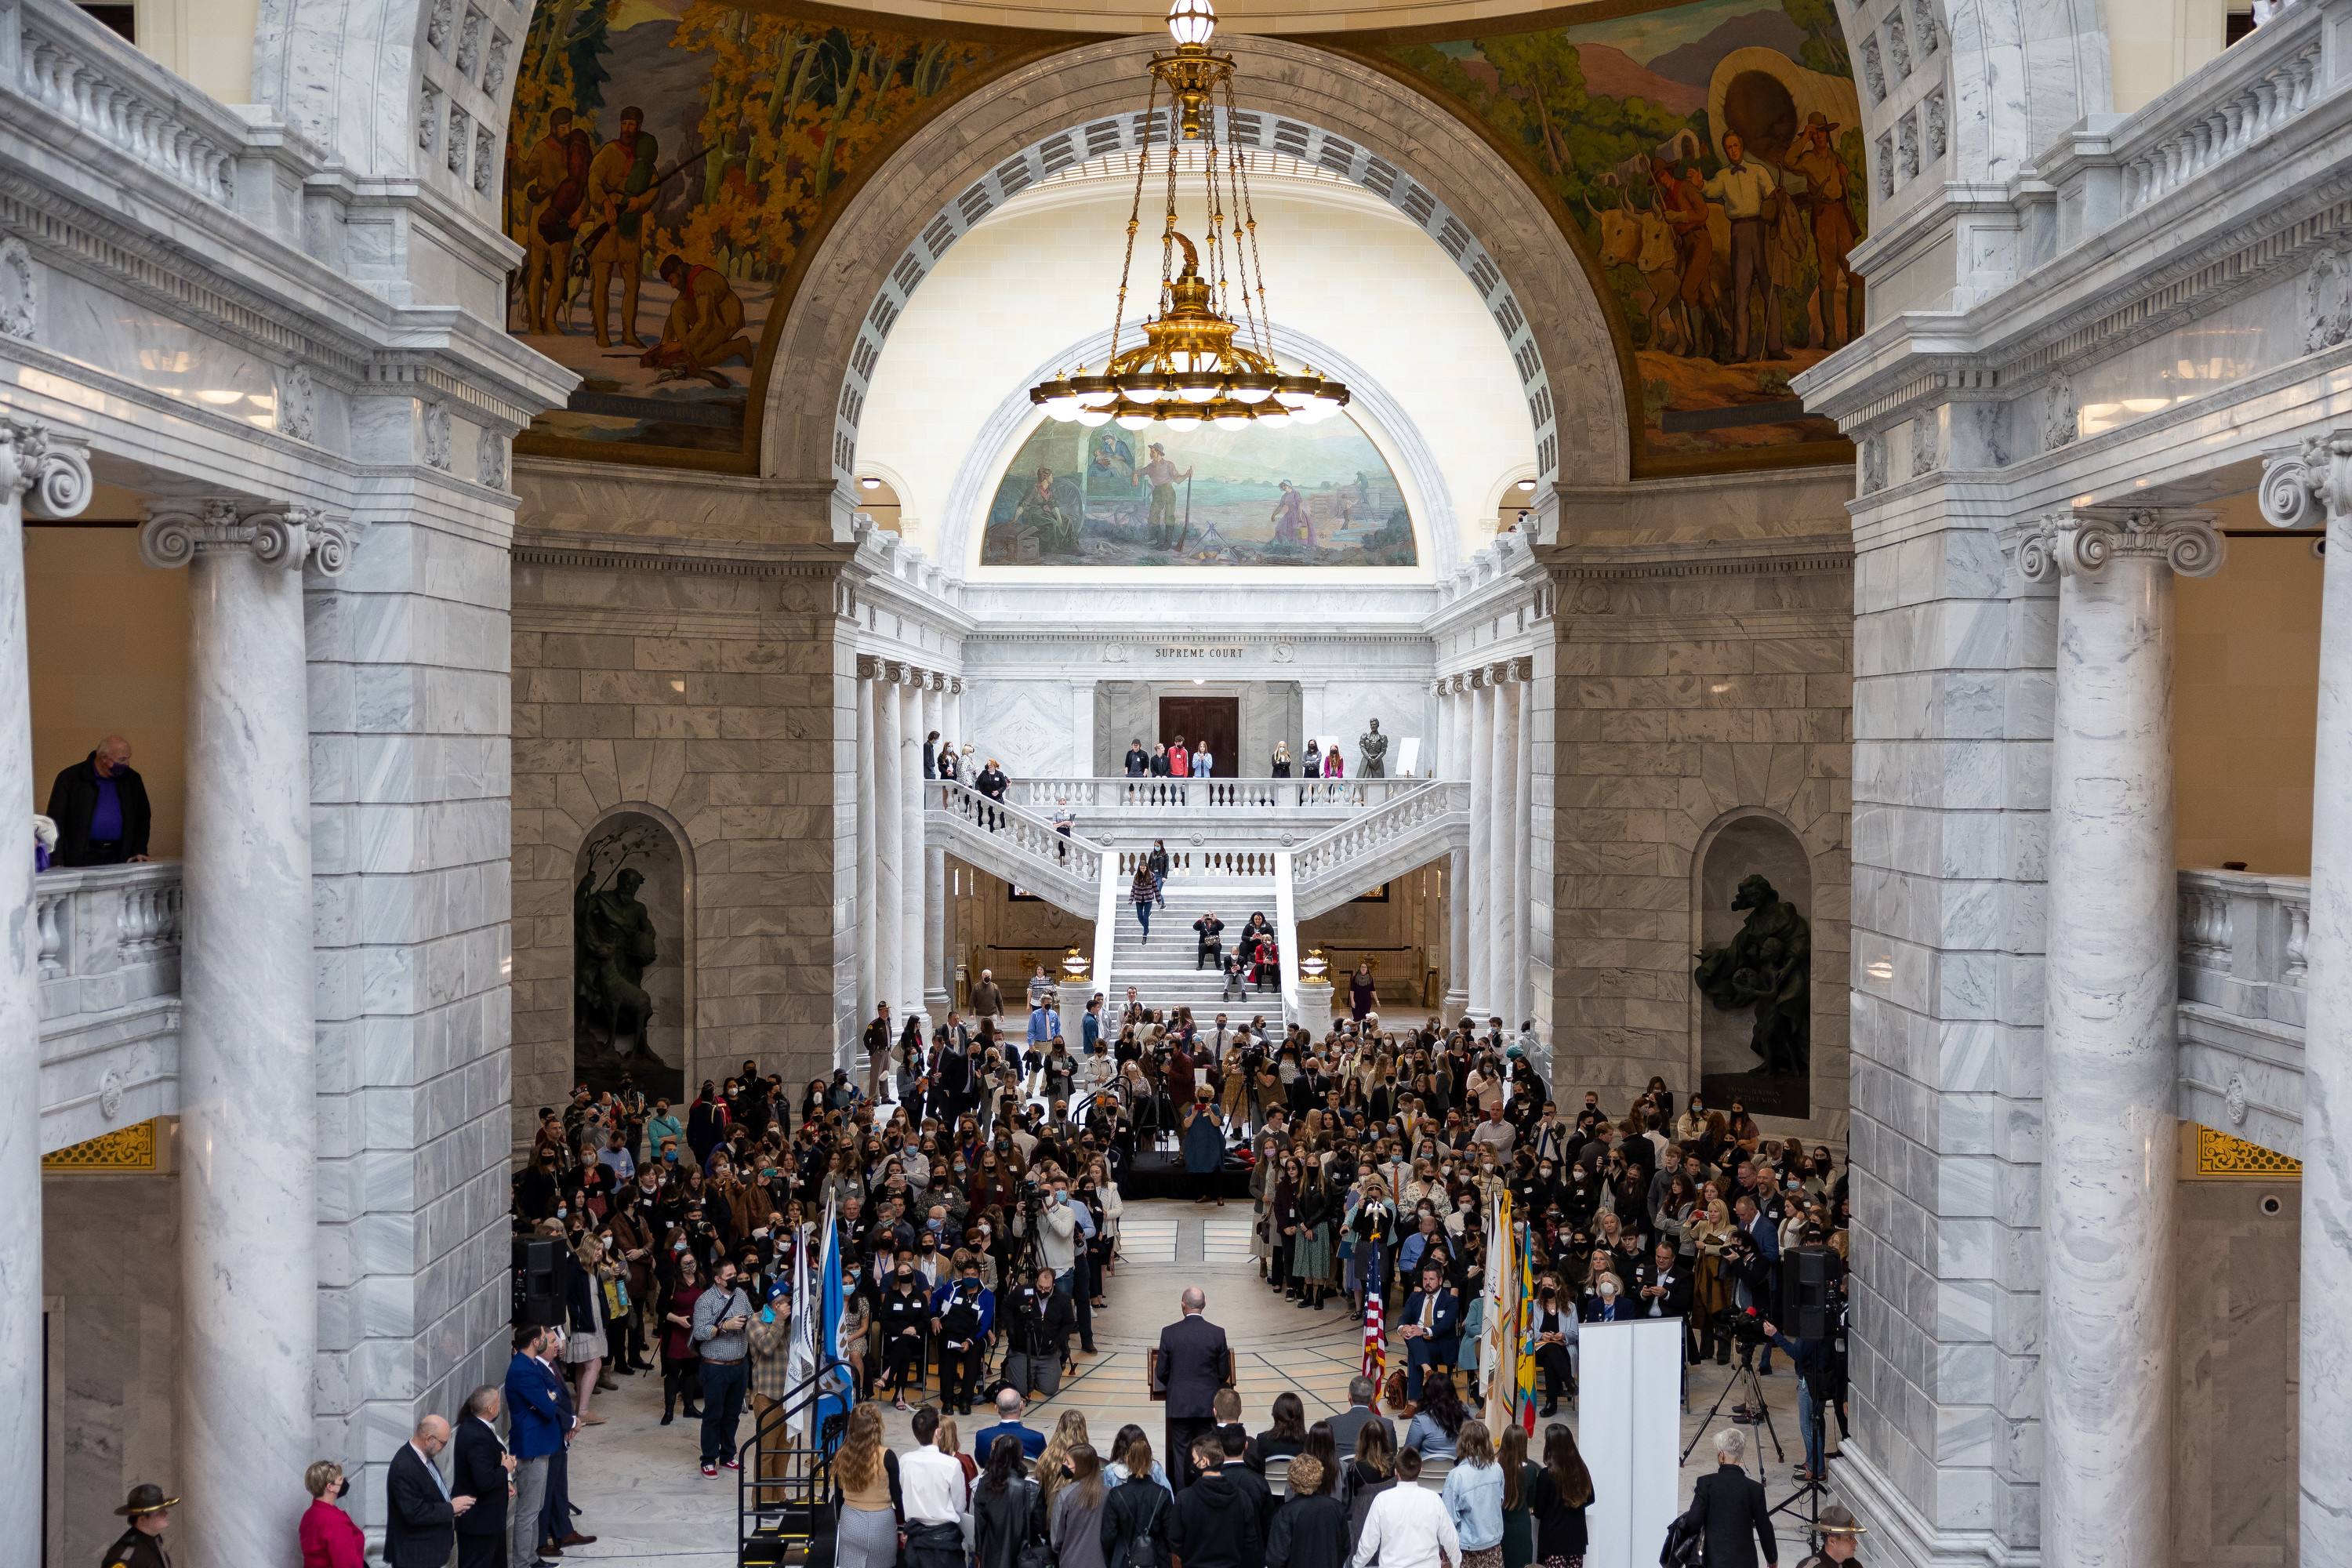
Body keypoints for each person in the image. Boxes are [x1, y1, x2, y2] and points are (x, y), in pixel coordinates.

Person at [1149, 1286, 1231, 1492]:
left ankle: (1182, 1500)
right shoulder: (1217, 1333)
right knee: (1207, 1454)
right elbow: (1223, 1374)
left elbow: (1160, 1372)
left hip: (1180, 1405)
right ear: (1204, 1305)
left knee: (1181, 1455)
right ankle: (1207, 1495)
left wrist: (1177, 1385)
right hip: (1207, 1406)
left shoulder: (1169, 1333)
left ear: (1183, 1305)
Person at [505, 1323, 565, 1568]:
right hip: (532, 1444)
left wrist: (547, 1398)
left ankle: (531, 1558)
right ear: (534, 1342)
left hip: (539, 1441)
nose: (547, 1341)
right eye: (543, 1338)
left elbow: (555, 1391)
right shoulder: (523, 1369)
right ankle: (522, 1562)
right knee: (528, 1510)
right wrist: (546, 1400)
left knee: (536, 1505)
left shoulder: (530, 1365)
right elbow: (549, 1408)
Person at [691, 1257, 756, 1479]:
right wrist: (723, 1326)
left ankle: (728, 1455)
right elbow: (699, 1332)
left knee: (732, 1414)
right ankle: (708, 1459)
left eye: (735, 1275)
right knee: (714, 1414)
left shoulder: (740, 1295)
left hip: (740, 1365)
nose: (734, 1280)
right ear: (718, 1279)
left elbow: (752, 1317)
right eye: (729, 1277)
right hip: (716, 1367)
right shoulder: (705, 1301)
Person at [45, 735, 152, 866]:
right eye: (122, 760)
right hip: (81, 857)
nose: (127, 764)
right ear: (104, 758)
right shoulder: (70, 778)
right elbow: (56, 822)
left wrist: (139, 850)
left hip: (120, 855)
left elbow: (142, 818)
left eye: (128, 759)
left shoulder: (132, 780)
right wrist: (56, 860)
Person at [1682, 1428, 1777, 1568]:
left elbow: (1693, 1521)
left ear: (1721, 1455)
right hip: (1745, 1562)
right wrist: (1772, 1558)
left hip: (1712, 1561)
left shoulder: (1706, 1483)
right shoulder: (1754, 1489)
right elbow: (1764, 1527)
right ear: (1741, 1454)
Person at [1351, 1449, 1460, 1568]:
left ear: (1396, 1471)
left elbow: (1368, 1544)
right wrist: (1456, 1563)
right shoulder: (1434, 1499)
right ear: (1420, 1471)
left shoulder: (1382, 1500)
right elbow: (1450, 1539)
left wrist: (1357, 1564)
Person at [1171, 1434, 1263, 1568]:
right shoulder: (1242, 1498)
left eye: (1194, 1458)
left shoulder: (1184, 1499)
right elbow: (1250, 1542)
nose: (1192, 1463)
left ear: (1204, 1462)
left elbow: (1176, 1542)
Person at [385, 1416, 466, 1568]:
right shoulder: (405, 1466)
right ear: (428, 1439)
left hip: (428, 1551)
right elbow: (414, 1513)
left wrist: (452, 1508)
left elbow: (432, 1494)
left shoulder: (423, 1458)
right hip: (414, 1556)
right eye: (443, 1443)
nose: (444, 1448)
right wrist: (450, 1508)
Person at [834, 1405, 905, 1568]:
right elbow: (896, 1494)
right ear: (877, 1426)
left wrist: (840, 1520)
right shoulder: (887, 1456)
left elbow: (838, 1495)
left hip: (850, 1520)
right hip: (881, 1523)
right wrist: (904, 1520)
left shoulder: (842, 1454)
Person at [452, 1386, 514, 1568]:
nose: (500, 1405)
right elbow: (484, 1481)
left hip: (487, 1520)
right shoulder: (476, 1435)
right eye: (498, 1402)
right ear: (490, 1408)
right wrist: (505, 1469)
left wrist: (505, 1478)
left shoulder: (476, 1426)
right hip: (480, 1523)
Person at [902, 1406, 972, 1568]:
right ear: (937, 1433)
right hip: (944, 1541)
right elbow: (959, 1506)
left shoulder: (905, 1460)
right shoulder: (952, 1464)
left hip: (917, 1538)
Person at [1100, 1433, 1173, 1567]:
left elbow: (1108, 1536)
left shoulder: (1116, 1495)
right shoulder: (1163, 1494)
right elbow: (1170, 1535)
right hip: (1157, 1560)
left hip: (1124, 1560)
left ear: (1128, 1460)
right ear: (1150, 1460)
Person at [1526, 1423, 1592, 1568]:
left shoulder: (1546, 1475)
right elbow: (1590, 1498)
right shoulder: (1581, 1470)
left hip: (1553, 1544)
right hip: (1576, 1542)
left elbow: (1539, 1511)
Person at [975, 1435, 1045, 1568]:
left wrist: (980, 1554)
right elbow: (1039, 1529)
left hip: (991, 1558)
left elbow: (979, 1528)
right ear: (1020, 1456)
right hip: (1022, 1559)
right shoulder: (1032, 1490)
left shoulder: (984, 1485)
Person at [1439, 1422, 1504, 1568]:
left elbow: (1448, 1520)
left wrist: (1444, 1549)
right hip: (1494, 1548)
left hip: (1466, 1552)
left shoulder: (1456, 1476)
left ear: (1462, 1443)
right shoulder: (1497, 1469)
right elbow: (1499, 1501)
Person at [1267, 1454, 1348, 1568]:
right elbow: (1345, 1548)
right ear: (1319, 1476)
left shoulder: (1286, 1513)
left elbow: (1276, 1558)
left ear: (1291, 1479)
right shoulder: (1336, 1508)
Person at [1398, 1263, 1461, 1405]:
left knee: (1414, 1348)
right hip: (1421, 1344)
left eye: (1431, 1279)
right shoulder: (1415, 1297)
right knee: (1412, 1336)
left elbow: (1445, 1326)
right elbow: (1404, 1317)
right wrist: (1402, 1328)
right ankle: (1428, 1371)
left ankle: (1413, 1403)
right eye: (1425, 1279)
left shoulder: (1451, 1300)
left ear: (1440, 1281)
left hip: (1441, 1346)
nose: (1427, 1283)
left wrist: (1423, 1331)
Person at [1053, 1442, 1111, 1568]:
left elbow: (1056, 1540)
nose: (1064, 1465)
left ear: (1081, 1467)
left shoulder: (1065, 1495)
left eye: (1068, 1463)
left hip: (1071, 1562)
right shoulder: (1109, 1494)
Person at [299, 1461, 366, 1568]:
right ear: (330, 1487)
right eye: (340, 1480)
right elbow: (346, 1563)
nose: (343, 1483)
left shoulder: (309, 1515)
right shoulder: (334, 1521)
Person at [101, 1485, 177, 1568]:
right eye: (159, 1512)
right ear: (142, 1519)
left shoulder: (154, 1541)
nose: (166, 1513)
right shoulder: (126, 1555)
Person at [1326, 1374, 1396, 1459]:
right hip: (1374, 1471)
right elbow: (1391, 1458)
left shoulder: (1331, 1424)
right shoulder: (1386, 1424)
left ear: (1349, 1396)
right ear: (1372, 1397)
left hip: (1341, 1471)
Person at [975, 1386, 1049, 1463]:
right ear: (1021, 1406)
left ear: (997, 1408)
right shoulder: (1036, 1438)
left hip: (994, 1474)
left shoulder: (982, 1436)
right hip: (1026, 1475)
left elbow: (981, 1463)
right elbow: (1044, 1465)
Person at [1403, 1370, 1468, 1459]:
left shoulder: (1420, 1419)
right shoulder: (1465, 1411)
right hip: (1460, 1468)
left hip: (1427, 1471)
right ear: (1452, 1392)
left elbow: (1408, 1452)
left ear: (1426, 1393)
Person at [1792, 1505, 1866, 1566]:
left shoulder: (1853, 1565)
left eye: (1853, 1537)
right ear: (1832, 1541)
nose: (1856, 1542)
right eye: (1849, 1538)